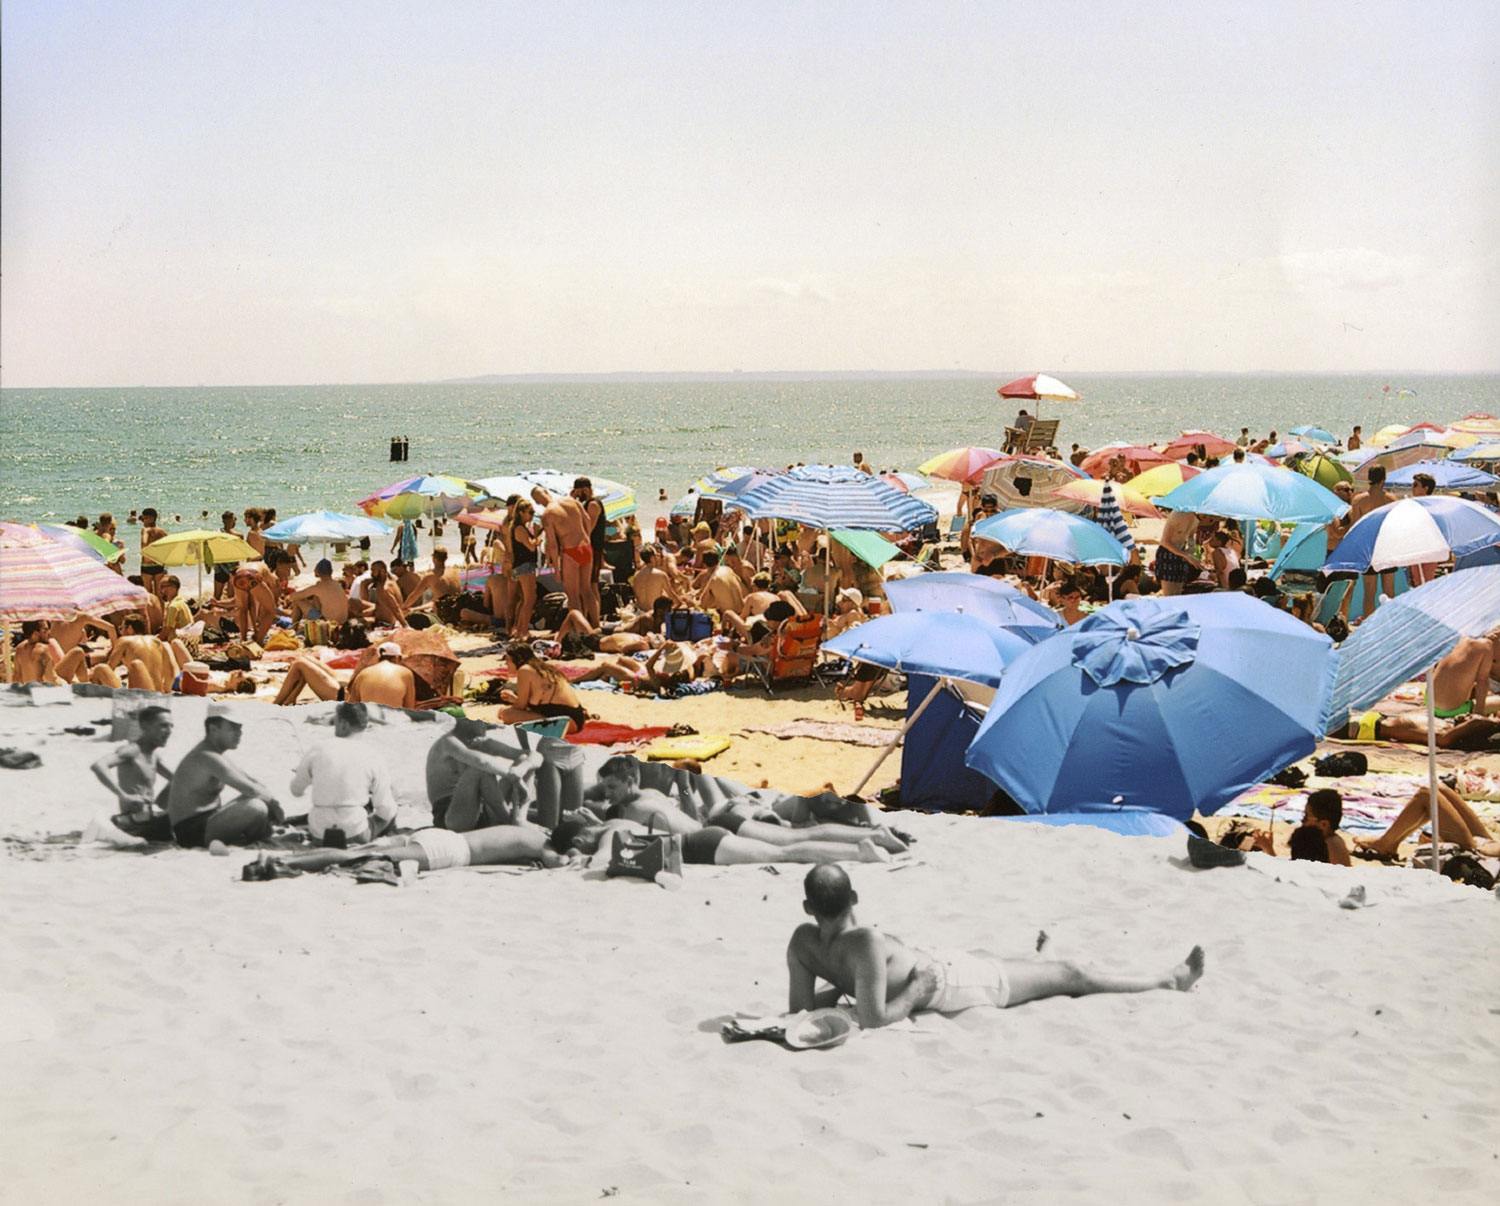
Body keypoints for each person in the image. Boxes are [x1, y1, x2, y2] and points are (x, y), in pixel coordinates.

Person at [785, 867, 1205, 1029]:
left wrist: (854, 990)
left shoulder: (803, 941)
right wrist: (914, 989)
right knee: (1071, 974)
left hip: (950, 965)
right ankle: (1167, 981)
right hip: (949, 983)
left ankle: (1039, 963)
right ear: (854, 898)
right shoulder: (866, 942)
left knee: (991, 958)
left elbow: (800, 1008)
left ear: (808, 907)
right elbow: (876, 1020)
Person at [166, 702, 285, 847]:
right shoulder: (206, 756)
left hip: (206, 822)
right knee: (256, 806)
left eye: (240, 728)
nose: (239, 733)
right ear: (213, 729)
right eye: (233, 728)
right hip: (191, 832)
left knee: (256, 800)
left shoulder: (215, 755)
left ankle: (265, 836)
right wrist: (276, 808)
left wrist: (271, 803)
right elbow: (251, 790)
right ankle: (266, 836)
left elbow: (253, 783)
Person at [289, 702, 398, 844]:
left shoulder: (318, 749)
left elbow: (296, 791)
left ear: (344, 724)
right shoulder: (373, 755)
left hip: (320, 834)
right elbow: (385, 808)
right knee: (390, 810)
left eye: (336, 721)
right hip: (355, 834)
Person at [92, 704, 177, 840]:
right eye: (163, 726)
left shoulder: (154, 756)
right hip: (132, 821)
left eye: (171, 726)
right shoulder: (132, 750)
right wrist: (124, 795)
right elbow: (98, 765)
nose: (169, 731)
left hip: (150, 815)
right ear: (144, 726)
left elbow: (179, 779)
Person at [1355, 781, 1500, 859]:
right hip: (1490, 845)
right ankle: (1390, 843)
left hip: (1485, 855)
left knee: (1427, 794)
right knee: (1438, 787)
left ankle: (1385, 844)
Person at [497, 642, 589, 732]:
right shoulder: (542, 668)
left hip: (564, 721)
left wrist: (505, 710)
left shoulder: (524, 670)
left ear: (517, 659)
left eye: (508, 660)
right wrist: (514, 699)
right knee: (509, 713)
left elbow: (521, 706)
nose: (506, 664)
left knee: (507, 714)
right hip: (575, 718)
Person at [533, 486, 592, 619]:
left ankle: (579, 627)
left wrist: (557, 569)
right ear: (547, 492)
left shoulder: (547, 514)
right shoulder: (571, 501)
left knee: (573, 595)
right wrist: (587, 539)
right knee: (587, 591)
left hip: (570, 551)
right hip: (586, 547)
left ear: (537, 503)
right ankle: (593, 624)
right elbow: (587, 520)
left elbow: (553, 545)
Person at [1349, 466, 1394, 620]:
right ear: (1383, 479)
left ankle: (1369, 628)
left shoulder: (1358, 500)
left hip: (1367, 548)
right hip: (1386, 546)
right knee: (1389, 590)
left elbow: (1355, 528)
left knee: (1369, 592)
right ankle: (1390, 625)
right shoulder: (1391, 500)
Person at [574, 476, 607, 625]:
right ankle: (590, 617)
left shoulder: (592, 504)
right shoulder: (585, 504)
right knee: (587, 586)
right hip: (590, 548)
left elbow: (588, 529)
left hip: (593, 549)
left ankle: (594, 620)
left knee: (590, 586)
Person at [507, 499, 541, 638]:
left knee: (524, 600)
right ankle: (523, 630)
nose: (532, 515)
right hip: (524, 566)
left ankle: (519, 629)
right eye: (530, 512)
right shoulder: (520, 528)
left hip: (521, 566)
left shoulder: (518, 527)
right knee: (530, 599)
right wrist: (538, 536)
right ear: (521, 513)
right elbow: (531, 546)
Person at [1153, 507, 1205, 596]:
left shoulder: (1196, 518)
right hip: (1168, 552)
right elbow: (1165, 541)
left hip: (1182, 552)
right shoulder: (1177, 514)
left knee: (1178, 593)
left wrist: (1191, 550)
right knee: (1169, 594)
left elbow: (1191, 536)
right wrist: (1186, 556)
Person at [289, 558, 351, 626]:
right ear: (331, 571)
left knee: (297, 600)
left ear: (317, 571)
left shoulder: (318, 587)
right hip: (343, 620)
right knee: (316, 598)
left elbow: (293, 596)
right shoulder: (337, 584)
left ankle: (293, 626)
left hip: (327, 622)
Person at [694, 549, 747, 615]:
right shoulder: (728, 569)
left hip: (730, 616)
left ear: (704, 564)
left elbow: (703, 605)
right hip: (743, 610)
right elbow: (742, 587)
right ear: (718, 560)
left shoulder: (711, 579)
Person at [631, 546, 677, 611]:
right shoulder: (661, 575)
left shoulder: (636, 575)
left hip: (640, 612)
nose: (658, 557)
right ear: (652, 558)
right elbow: (673, 598)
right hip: (654, 613)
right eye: (656, 555)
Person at [139, 507, 167, 595]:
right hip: (159, 564)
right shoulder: (162, 532)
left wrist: (144, 547)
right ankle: (161, 609)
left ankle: (151, 609)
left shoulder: (145, 530)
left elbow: (144, 543)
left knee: (148, 594)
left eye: (144, 518)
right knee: (159, 594)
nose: (143, 521)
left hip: (147, 565)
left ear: (151, 518)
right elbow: (168, 546)